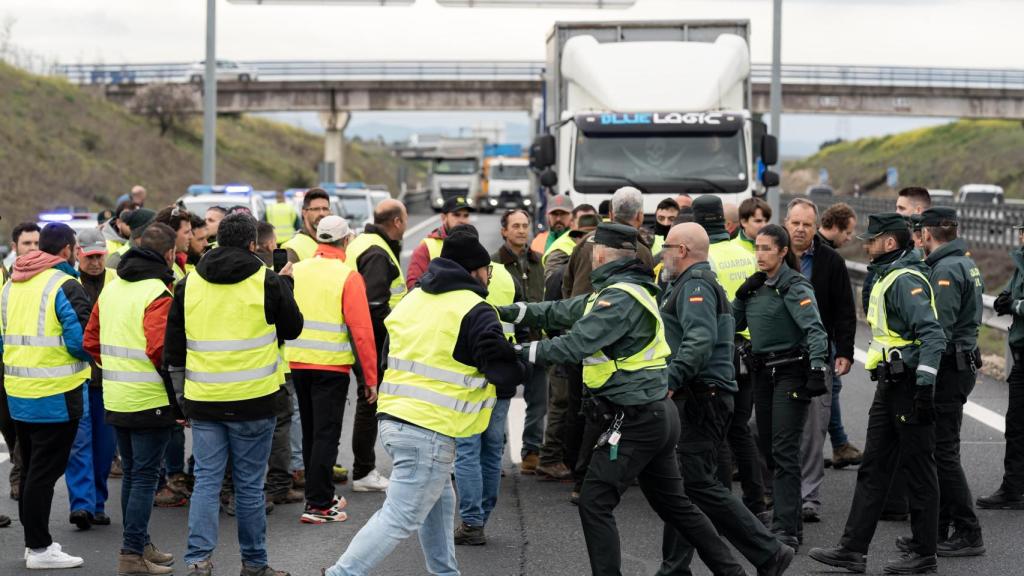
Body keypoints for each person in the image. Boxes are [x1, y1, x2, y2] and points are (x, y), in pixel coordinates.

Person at [499, 222, 745, 576]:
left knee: (595, 501)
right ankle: (733, 570)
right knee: (676, 506)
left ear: (598, 254)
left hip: (637, 418)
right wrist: (505, 311)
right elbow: (558, 311)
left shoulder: (617, 299)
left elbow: (575, 344)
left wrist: (515, 351)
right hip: (654, 414)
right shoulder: (622, 291)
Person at [322, 227, 523, 576]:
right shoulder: (476, 309)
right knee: (400, 516)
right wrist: (519, 357)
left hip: (394, 418)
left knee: (440, 502)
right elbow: (505, 374)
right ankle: (341, 573)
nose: (489, 276)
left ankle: (445, 573)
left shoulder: (415, 298)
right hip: (431, 428)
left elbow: (390, 355)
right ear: (475, 270)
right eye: (487, 270)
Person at [164, 213, 303, 576]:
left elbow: (174, 350)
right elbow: (294, 328)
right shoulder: (266, 280)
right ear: (253, 245)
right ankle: (254, 564)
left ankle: (198, 560)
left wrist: (180, 400)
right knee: (250, 487)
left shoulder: (189, 283)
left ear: (216, 240)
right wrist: (286, 287)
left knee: (208, 483)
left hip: (205, 400)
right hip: (254, 401)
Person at [809, 213, 946, 576]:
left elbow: (933, 335)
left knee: (919, 469)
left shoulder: (903, 280)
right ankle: (852, 550)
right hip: (890, 385)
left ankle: (924, 553)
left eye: (872, 240)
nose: (866, 244)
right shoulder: (886, 276)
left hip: (909, 386)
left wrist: (923, 389)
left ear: (889, 242)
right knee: (872, 469)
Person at [656, 222, 794, 576]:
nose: (663, 253)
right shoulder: (688, 284)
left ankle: (769, 551)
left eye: (667, 247)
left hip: (702, 396)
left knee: (695, 484)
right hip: (705, 395)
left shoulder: (696, 286)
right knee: (685, 485)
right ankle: (675, 568)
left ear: (683, 250)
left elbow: (699, 340)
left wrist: (671, 379)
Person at [84, 222, 180, 576]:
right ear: (169, 255)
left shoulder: (112, 288)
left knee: (132, 477)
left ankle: (139, 544)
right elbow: (160, 351)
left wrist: (114, 369)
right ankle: (130, 554)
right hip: (149, 397)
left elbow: (90, 341)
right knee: (143, 477)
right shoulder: (157, 293)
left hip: (116, 396)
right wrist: (177, 396)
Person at [732, 224, 829, 552]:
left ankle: (788, 528)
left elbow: (816, 331)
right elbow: (736, 325)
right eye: (756, 248)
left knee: (785, 450)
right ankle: (787, 514)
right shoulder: (757, 287)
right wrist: (740, 295)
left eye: (767, 249)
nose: (759, 254)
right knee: (767, 444)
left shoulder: (794, 285)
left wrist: (817, 369)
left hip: (790, 372)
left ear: (783, 252)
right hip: (763, 374)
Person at [2, 222, 92, 569]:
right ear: (68, 249)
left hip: (19, 391)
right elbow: (79, 342)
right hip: (56, 393)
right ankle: (39, 549)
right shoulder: (65, 285)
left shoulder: (11, 284)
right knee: (43, 473)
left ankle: (33, 544)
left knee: (30, 471)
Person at [561, 187, 655, 502]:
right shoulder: (639, 250)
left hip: (578, 335)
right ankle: (598, 475)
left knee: (577, 405)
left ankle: (575, 473)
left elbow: (566, 287)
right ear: (639, 216)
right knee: (608, 410)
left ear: (610, 214)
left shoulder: (583, 244)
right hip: (615, 345)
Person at [285, 215, 378, 523]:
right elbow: (361, 332)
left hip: (297, 363)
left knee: (312, 434)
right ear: (346, 241)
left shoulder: (295, 269)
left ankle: (319, 491)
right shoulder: (347, 276)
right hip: (331, 368)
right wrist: (370, 379)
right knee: (326, 436)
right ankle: (319, 505)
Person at [907, 207, 985, 556]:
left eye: (919, 231)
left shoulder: (947, 269)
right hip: (960, 363)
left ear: (927, 233)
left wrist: (925, 374)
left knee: (943, 453)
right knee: (939, 452)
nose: (917, 238)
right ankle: (936, 531)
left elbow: (940, 329)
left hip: (951, 368)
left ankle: (968, 532)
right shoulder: (962, 261)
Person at [782, 199, 859, 527]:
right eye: (795, 223)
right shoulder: (772, 255)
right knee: (773, 429)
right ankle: (779, 492)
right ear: (786, 223)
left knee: (814, 431)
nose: (800, 229)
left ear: (816, 228)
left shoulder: (830, 261)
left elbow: (844, 309)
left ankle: (808, 497)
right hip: (777, 357)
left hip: (816, 355)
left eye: (806, 224)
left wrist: (844, 351)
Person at [691, 195, 767, 521]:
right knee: (739, 431)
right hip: (749, 355)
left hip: (717, 356)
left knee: (715, 434)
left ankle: (720, 504)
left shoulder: (702, 260)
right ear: (725, 220)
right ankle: (756, 502)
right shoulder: (747, 255)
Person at [453, 224, 523, 546]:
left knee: (467, 449)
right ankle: (483, 514)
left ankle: (471, 521)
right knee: (493, 449)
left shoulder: (457, 285)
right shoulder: (505, 276)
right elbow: (522, 321)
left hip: (469, 378)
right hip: (502, 376)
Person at [341, 199, 408, 493]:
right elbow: (374, 307)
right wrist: (386, 350)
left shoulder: (364, 243)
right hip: (374, 343)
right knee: (370, 402)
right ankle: (364, 471)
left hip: (362, 339)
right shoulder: (377, 253)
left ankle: (364, 469)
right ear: (397, 222)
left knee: (369, 402)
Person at [64, 229, 118, 531]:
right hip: (79, 378)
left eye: (100, 256)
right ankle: (81, 505)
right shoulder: (69, 285)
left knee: (104, 448)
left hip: (109, 379)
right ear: (78, 254)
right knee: (79, 445)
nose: (95, 262)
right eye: (90, 257)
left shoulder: (116, 282)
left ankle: (97, 504)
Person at [491, 209, 549, 476]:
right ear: (504, 230)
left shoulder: (538, 262)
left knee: (538, 400)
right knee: (498, 401)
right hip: (506, 344)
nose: (521, 230)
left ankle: (532, 451)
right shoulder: (494, 264)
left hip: (536, 341)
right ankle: (495, 454)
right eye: (515, 226)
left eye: (525, 225)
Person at [0, 222, 42, 500]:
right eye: (27, 244)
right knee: (9, 424)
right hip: (7, 359)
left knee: (21, 424)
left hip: (28, 362)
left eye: (37, 243)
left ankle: (19, 475)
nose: (33, 249)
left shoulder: (45, 277)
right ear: (15, 248)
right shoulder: (8, 275)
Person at [986, 223, 1024, 510]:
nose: (1019, 236)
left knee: (1018, 424)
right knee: (1015, 425)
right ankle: (1013, 488)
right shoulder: (1020, 263)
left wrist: (1015, 305)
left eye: (1022, 231)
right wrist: (1007, 302)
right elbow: (1004, 299)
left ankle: (1014, 489)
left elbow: (1013, 302)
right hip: (1020, 353)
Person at [406, 196, 472, 289]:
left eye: (466, 215)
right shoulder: (426, 247)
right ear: (443, 217)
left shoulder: (472, 245)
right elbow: (413, 285)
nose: (462, 220)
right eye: (456, 215)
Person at [542, 203, 596, 282]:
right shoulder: (559, 250)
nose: (587, 224)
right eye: (582, 220)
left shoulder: (602, 243)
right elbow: (553, 283)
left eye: (591, 220)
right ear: (572, 224)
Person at [154, 206, 193, 281]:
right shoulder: (162, 267)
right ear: (170, 233)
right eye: (187, 232)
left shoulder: (175, 260)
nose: (191, 236)